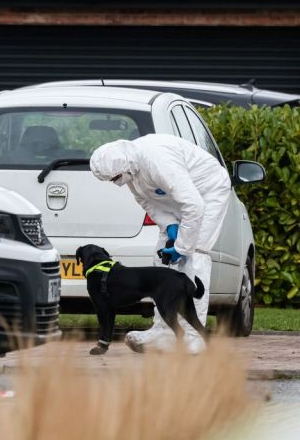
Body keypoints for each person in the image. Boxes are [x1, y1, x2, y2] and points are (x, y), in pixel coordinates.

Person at [89, 134, 231, 353]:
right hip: (179, 198)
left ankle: (195, 337)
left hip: (207, 192)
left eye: (114, 178)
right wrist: (170, 226)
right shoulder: (131, 170)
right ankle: (164, 331)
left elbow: (194, 206)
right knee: (161, 254)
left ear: (122, 166)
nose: (114, 183)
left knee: (195, 254)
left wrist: (182, 247)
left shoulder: (158, 161)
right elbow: (148, 202)